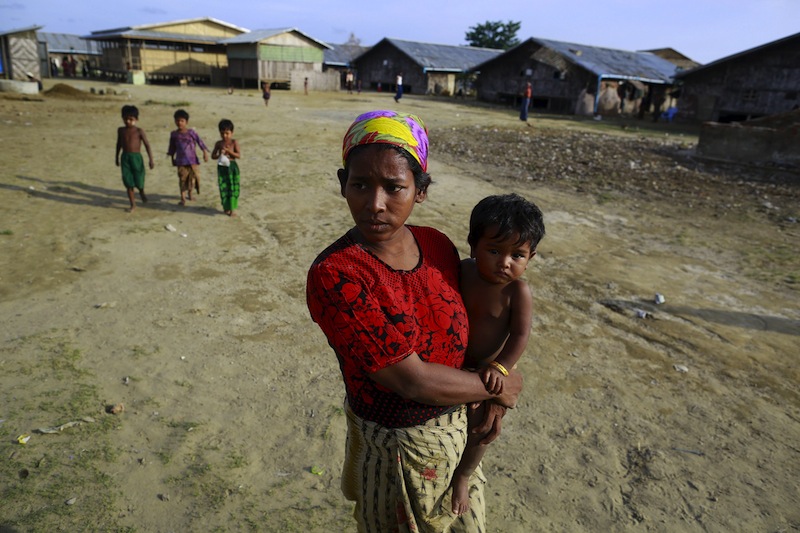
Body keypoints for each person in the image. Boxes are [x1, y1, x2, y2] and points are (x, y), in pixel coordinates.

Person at [306, 110, 523, 532]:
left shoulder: (436, 245)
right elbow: (411, 381)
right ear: (342, 183)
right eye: (360, 184)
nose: (375, 204)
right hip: (397, 454)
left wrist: (497, 381)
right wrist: (502, 386)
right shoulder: (336, 275)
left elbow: (483, 324)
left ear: (420, 190)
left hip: (458, 437)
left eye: (394, 187)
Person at [449, 193, 545, 515]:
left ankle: (464, 475)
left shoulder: (517, 292)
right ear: (473, 246)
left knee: (482, 427)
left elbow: (520, 335)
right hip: (451, 360)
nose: (505, 262)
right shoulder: (463, 271)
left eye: (517, 255)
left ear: (530, 257)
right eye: (494, 251)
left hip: (487, 367)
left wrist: (500, 367)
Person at [115, 105, 155, 212]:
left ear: (136, 119)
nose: (128, 121)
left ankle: (141, 191)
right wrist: (116, 157)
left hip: (136, 158)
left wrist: (151, 159)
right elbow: (118, 144)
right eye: (125, 119)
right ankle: (133, 204)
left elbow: (147, 145)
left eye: (131, 119)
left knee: (139, 179)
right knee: (128, 181)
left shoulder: (139, 131)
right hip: (125, 158)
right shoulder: (121, 130)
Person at [167, 109, 209, 206]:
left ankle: (190, 194)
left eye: (182, 121)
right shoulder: (174, 134)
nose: (179, 123)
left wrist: (204, 152)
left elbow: (200, 142)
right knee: (182, 180)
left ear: (186, 122)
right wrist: (172, 158)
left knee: (193, 179)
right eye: (177, 120)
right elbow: (172, 147)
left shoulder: (191, 133)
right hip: (181, 161)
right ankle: (183, 198)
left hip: (192, 161)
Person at [211, 119, 241, 217]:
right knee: (224, 188)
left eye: (227, 133)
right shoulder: (219, 144)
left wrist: (229, 151)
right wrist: (220, 154)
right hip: (222, 168)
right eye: (222, 133)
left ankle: (232, 209)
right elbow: (213, 156)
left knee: (232, 188)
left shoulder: (234, 142)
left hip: (232, 167)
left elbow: (238, 155)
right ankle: (226, 207)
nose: (224, 135)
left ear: (232, 133)